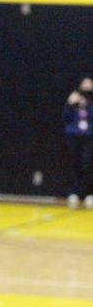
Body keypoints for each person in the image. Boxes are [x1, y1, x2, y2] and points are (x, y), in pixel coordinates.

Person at [64, 77, 93, 209]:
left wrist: (88, 104)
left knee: (88, 166)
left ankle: (88, 194)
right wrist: (70, 103)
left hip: (89, 137)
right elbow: (66, 118)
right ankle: (74, 193)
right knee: (74, 164)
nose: (86, 88)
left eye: (89, 86)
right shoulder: (74, 100)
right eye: (84, 86)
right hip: (74, 136)